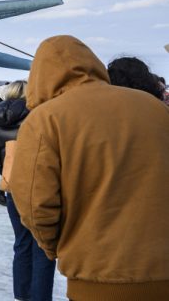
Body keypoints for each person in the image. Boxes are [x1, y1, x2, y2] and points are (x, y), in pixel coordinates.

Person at [10, 35, 169, 301]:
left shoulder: (46, 119)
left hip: (97, 278)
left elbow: (34, 202)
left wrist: (59, 247)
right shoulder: (154, 107)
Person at [0, 80, 55, 301]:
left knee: (22, 243)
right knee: (43, 245)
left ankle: (22, 295)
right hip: (41, 187)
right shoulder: (39, 116)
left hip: (14, 189)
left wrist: (8, 172)